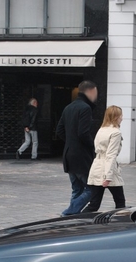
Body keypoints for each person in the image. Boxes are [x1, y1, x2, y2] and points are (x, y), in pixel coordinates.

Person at [56, 81, 98, 216]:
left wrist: (70, 142)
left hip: (69, 154)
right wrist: (93, 146)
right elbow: (83, 133)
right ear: (90, 91)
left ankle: (71, 219)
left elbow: (59, 131)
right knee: (92, 189)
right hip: (82, 156)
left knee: (77, 189)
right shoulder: (85, 108)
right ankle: (68, 213)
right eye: (96, 92)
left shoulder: (68, 107)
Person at [83, 106, 126, 213]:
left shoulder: (101, 129)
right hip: (108, 168)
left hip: (97, 166)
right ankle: (120, 225)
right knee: (120, 202)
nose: (122, 118)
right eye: (121, 115)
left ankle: (78, 222)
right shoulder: (115, 132)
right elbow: (110, 155)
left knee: (94, 204)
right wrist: (108, 176)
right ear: (116, 117)